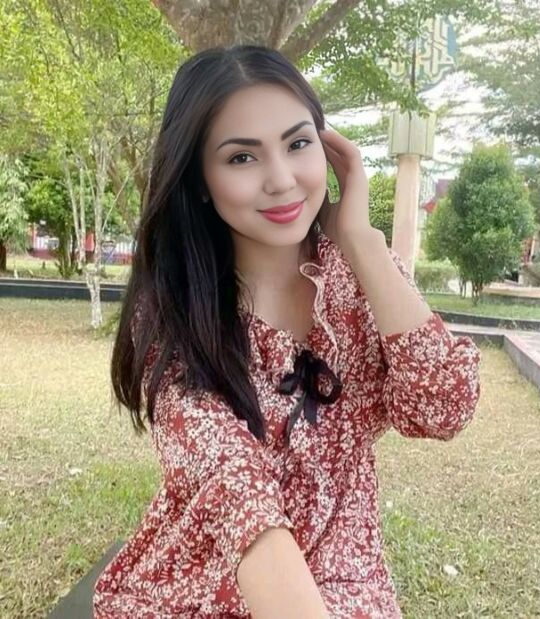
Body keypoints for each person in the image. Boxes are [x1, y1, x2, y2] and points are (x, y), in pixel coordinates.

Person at [93, 44, 482, 619]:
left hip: (345, 572)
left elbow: (442, 408)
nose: (281, 180)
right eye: (241, 158)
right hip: (204, 577)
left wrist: (363, 243)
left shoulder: (362, 279)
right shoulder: (174, 308)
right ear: (199, 180)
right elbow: (232, 482)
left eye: (298, 144)